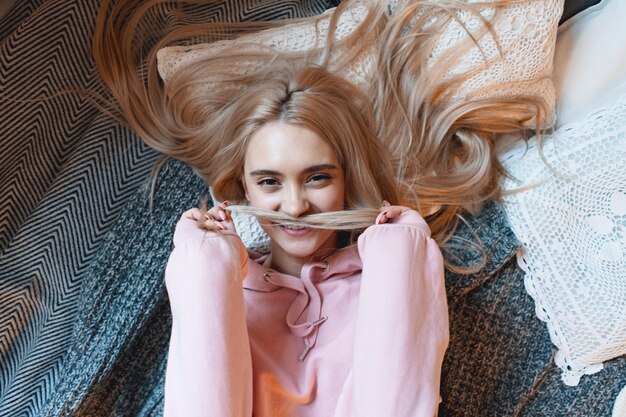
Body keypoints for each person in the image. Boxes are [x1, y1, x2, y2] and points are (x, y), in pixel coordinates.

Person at [92, 0, 548, 415]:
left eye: (317, 177)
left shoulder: (385, 273)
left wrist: (400, 249)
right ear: (244, 191)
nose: (294, 206)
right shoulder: (227, 288)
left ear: (347, 179)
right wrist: (205, 266)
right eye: (269, 181)